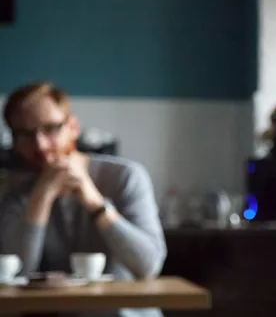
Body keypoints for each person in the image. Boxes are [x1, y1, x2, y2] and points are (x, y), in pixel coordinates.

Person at [0, 82, 166, 317]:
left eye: (50, 128)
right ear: (15, 142)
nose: (40, 144)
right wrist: (42, 195)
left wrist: (94, 201)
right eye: (26, 134)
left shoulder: (126, 177)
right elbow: (15, 277)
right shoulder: (15, 193)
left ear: (73, 127)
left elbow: (148, 266)